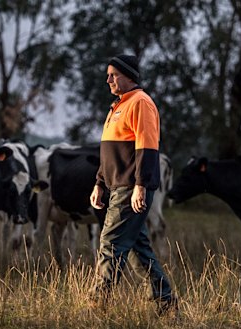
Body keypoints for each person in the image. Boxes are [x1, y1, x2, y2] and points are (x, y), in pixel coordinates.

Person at [89, 54, 177, 315]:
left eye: (113, 75)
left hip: (130, 188)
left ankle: (97, 305)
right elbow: (109, 153)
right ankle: (165, 303)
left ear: (129, 76)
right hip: (117, 187)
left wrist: (141, 185)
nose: (108, 80)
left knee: (110, 243)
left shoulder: (141, 103)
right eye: (108, 75)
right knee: (137, 249)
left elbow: (147, 147)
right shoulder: (117, 106)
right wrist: (99, 183)